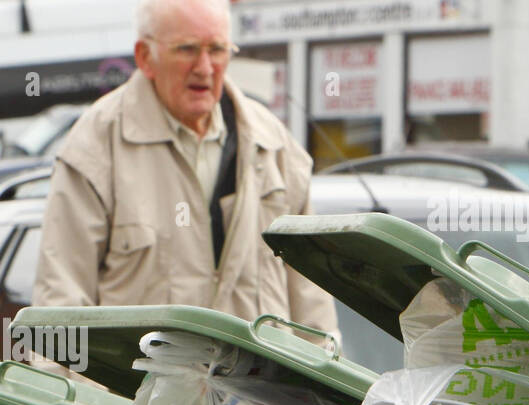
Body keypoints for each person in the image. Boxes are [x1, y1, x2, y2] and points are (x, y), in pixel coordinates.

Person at [34, 0, 337, 336]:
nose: (205, 67)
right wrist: (71, 388)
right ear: (145, 57)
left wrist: (323, 384)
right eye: (187, 49)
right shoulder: (94, 148)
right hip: (138, 389)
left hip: (262, 389)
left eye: (218, 49)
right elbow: (59, 306)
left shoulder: (274, 145)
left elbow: (314, 309)